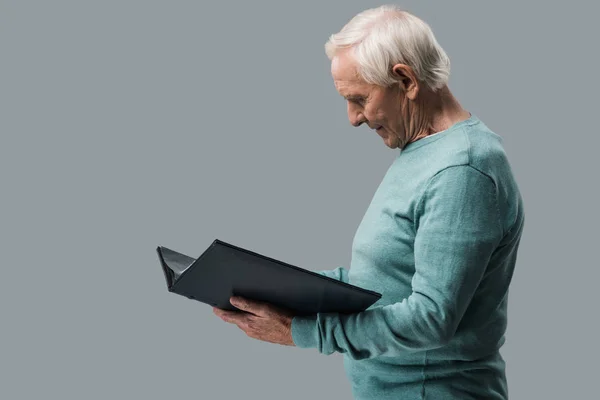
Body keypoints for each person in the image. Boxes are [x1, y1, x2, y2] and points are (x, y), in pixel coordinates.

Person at [213, 4, 525, 399]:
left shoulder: (463, 169)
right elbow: (383, 281)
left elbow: (431, 319)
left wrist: (303, 332)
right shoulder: (424, 150)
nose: (353, 118)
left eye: (359, 98)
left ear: (406, 79)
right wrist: (275, 286)